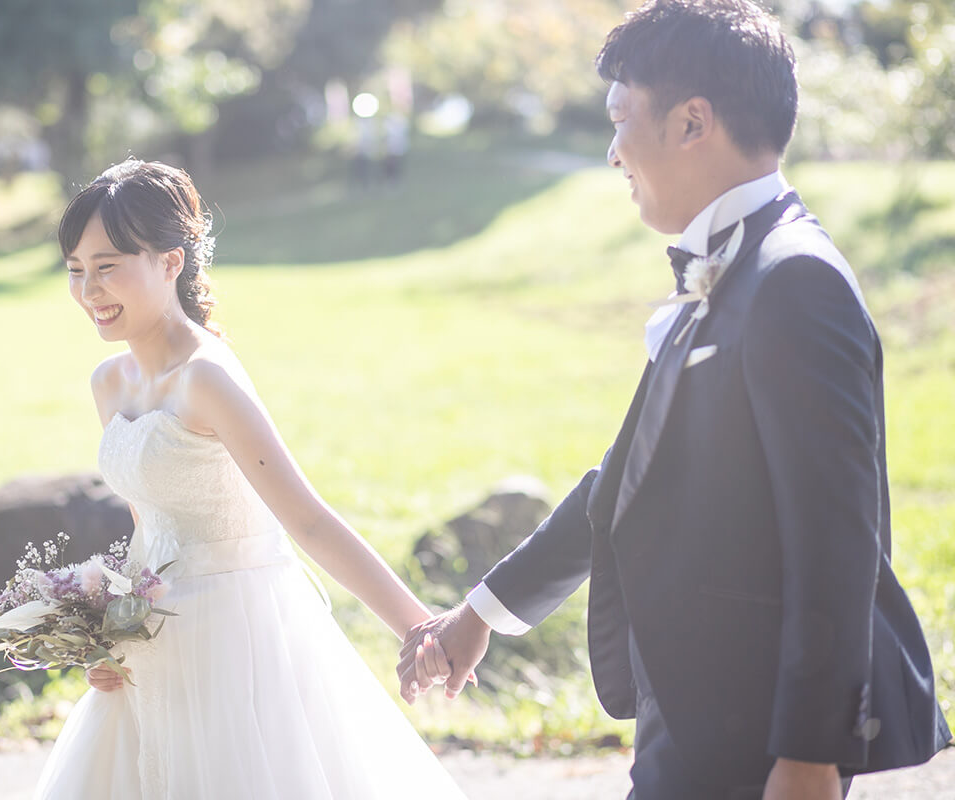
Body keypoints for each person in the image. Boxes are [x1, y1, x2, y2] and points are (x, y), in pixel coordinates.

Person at [400, 2, 952, 798]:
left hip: (754, 737)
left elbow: (837, 545)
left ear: (693, 122)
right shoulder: (736, 266)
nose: (614, 151)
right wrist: (481, 613)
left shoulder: (796, 281)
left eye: (622, 118)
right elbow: (627, 475)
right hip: (690, 721)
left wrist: (807, 758)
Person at [34, 159, 466, 799]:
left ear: (171, 262)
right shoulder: (110, 383)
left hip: (237, 641)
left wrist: (419, 627)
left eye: (108, 266)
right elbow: (145, 523)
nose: (90, 290)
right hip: (150, 647)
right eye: (76, 270)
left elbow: (309, 520)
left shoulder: (207, 378)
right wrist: (108, 637)